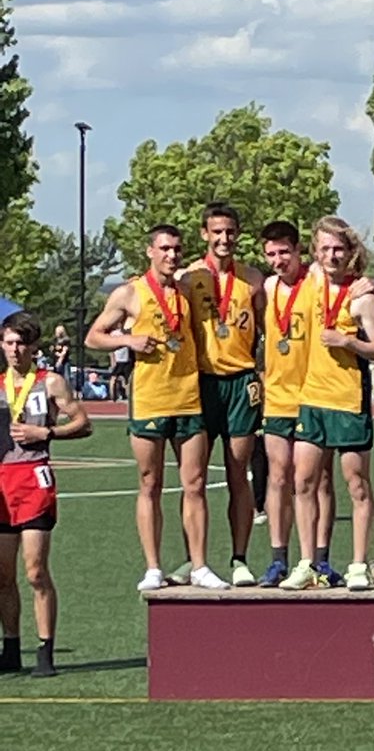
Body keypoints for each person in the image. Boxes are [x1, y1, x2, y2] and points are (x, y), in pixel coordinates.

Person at [86, 224, 228, 592]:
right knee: (150, 483)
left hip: (188, 396)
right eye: (164, 249)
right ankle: (152, 567)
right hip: (150, 400)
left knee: (194, 483)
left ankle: (199, 565)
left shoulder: (186, 290)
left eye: (177, 249)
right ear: (150, 251)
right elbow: (93, 336)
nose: (171, 255)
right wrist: (130, 339)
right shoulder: (130, 293)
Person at [281, 217, 374, 592]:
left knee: (356, 484)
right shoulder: (311, 280)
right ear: (315, 251)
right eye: (325, 248)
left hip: (348, 400)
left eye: (338, 249)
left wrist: (349, 343)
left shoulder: (363, 295)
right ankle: (307, 562)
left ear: (351, 252)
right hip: (312, 398)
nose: (331, 255)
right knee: (304, 481)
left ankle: (359, 563)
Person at [173, 203, 266, 587]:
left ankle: (239, 558)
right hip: (200, 382)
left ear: (238, 233)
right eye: (217, 232)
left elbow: (265, 331)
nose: (224, 239)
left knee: (237, 474)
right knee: (192, 479)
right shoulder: (187, 277)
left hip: (241, 382)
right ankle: (191, 560)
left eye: (230, 232)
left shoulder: (254, 279)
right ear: (204, 234)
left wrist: (263, 375)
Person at [0, 311, 92, 677]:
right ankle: (10, 649)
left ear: (34, 346)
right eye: (9, 342)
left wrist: (47, 434)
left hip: (34, 478)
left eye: (21, 343)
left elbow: (84, 423)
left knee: (35, 571)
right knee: (2, 576)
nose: (15, 350)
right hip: (2, 481)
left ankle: (45, 650)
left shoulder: (50, 382)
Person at [257, 220, 342, 588]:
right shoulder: (268, 287)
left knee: (318, 478)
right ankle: (279, 559)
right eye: (271, 254)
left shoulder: (317, 282)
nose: (278, 261)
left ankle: (320, 559)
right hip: (277, 397)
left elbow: (348, 278)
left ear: (299, 251)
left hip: (314, 394)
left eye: (284, 253)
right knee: (278, 476)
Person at [109, 330, 134, 402]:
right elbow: (111, 349)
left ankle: (129, 396)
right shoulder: (114, 333)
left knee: (127, 380)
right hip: (118, 361)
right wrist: (112, 362)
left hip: (127, 361)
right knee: (113, 378)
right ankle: (113, 396)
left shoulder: (129, 333)